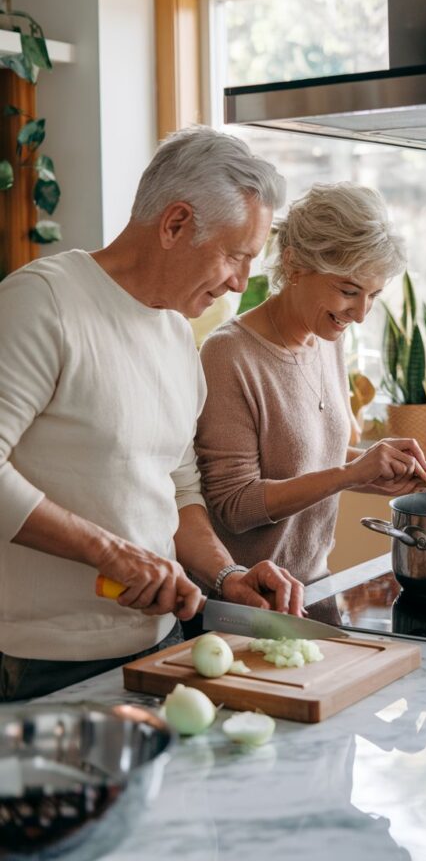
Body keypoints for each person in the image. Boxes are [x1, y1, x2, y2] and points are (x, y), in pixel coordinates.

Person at [0, 125, 304, 702]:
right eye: (235, 256)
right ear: (175, 224)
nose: (242, 281)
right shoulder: (44, 303)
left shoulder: (175, 333)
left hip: (164, 647)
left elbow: (179, 491)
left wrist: (226, 577)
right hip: (45, 663)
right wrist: (113, 554)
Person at [195, 182, 426, 586]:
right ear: (294, 265)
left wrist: (374, 468)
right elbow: (233, 505)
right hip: (248, 601)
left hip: (316, 588)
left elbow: (307, 458)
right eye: (348, 291)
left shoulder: (326, 340)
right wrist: (349, 473)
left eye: (373, 296)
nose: (359, 314)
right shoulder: (228, 354)